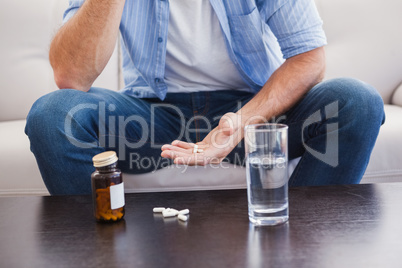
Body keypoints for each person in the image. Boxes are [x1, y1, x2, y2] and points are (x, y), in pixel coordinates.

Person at [25, 0, 384, 195]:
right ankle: (106, 253)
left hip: (254, 113)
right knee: (52, 116)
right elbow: (71, 75)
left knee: (357, 102)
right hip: (151, 118)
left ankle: (291, 245)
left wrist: (241, 122)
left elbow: (309, 58)